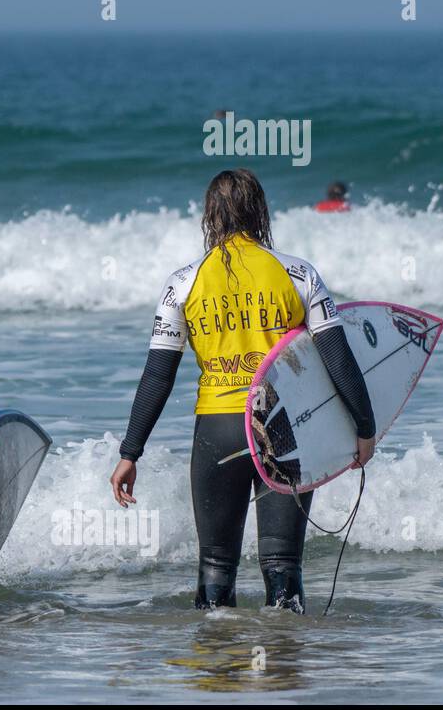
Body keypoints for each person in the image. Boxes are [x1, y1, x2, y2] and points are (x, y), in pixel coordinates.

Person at [109, 169, 375, 613]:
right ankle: (284, 670)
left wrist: (130, 452)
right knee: (282, 564)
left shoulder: (183, 283)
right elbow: (337, 358)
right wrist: (363, 428)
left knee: (215, 565)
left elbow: (157, 376)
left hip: (218, 431)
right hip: (284, 432)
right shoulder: (299, 274)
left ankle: (218, 668)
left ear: (210, 216)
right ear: (260, 210)